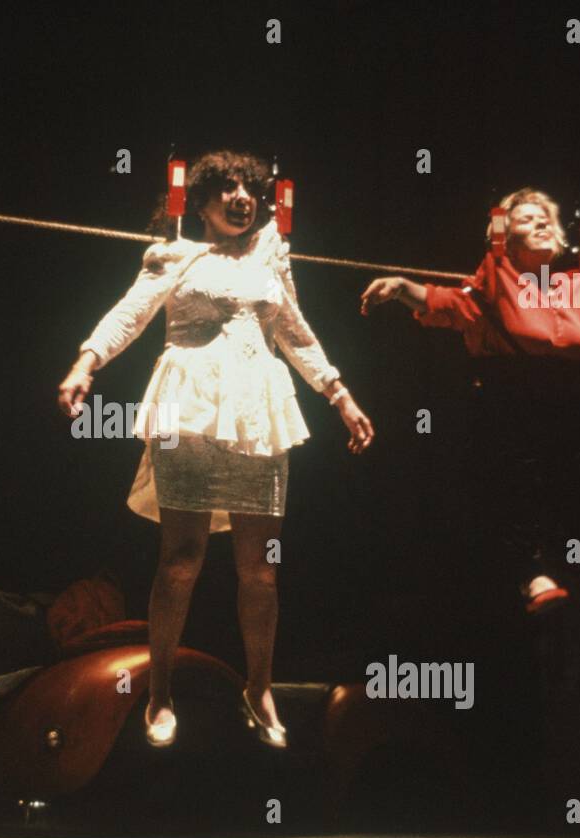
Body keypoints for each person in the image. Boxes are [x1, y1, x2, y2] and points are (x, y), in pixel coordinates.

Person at [58, 151, 374, 749]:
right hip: (191, 408)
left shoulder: (269, 256)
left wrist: (339, 394)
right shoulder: (174, 253)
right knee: (180, 561)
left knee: (261, 568)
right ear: (198, 202)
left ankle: (259, 688)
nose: (240, 197)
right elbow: (130, 313)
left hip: (259, 411)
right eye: (225, 188)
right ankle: (159, 693)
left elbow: (295, 330)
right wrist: (86, 363)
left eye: (249, 188)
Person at [360, 188, 580, 614]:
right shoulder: (493, 279)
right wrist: (399, 287)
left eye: (545, 218)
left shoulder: (573, 286)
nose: (541, 222)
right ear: (504, 237)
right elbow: (441, 301)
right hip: (508, 398)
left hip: (566, 401)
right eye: (526, 219)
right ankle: (530, 574)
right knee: (514, 484)